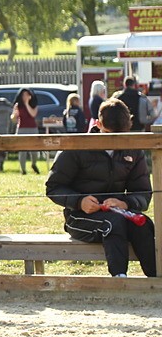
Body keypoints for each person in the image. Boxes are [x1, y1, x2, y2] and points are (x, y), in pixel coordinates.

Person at [45, 98, 157, 278]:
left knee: (143, 224)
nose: (113, 142)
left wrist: (125, 203)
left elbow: (143, 191)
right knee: (113, 224)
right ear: (97, 124)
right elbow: (53, 187)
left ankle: (156, 279)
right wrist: (79, 201)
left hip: (119, 213)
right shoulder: (77, 147)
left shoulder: (133, 149)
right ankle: (119, 279)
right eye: (108, 134)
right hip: (79, 216)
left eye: (118, 137)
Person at [12, 87, 39, 174]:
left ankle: (34, 164)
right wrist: (15, 115)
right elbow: (13, 119)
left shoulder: (34, 105)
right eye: (23, 95)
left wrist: (27, 104)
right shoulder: (17, 105)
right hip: (21, 129)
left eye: (27, 95)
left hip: (32, 128)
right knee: (22, 151)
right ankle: (23, 169)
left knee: (34, 150)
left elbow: (33, 114)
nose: (25, 97)